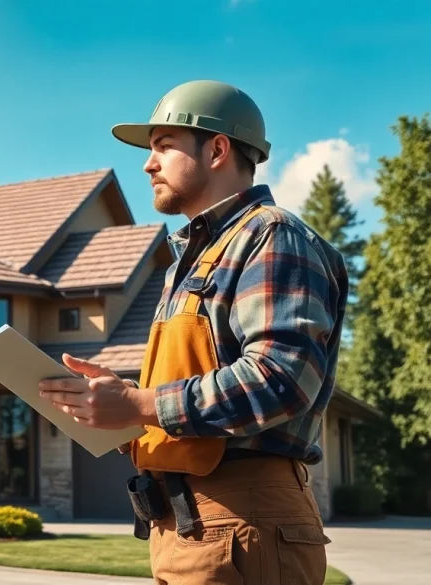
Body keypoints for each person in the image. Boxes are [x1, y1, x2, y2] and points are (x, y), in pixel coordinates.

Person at [38, 80, 348, 584]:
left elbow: (281, 379)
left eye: (163, 146)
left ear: (218, 149)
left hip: (243, 519)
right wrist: (119, 408)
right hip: (185, 524)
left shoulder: (271, 236)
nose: (147, 164)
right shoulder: (191, 260)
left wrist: (140, 404)